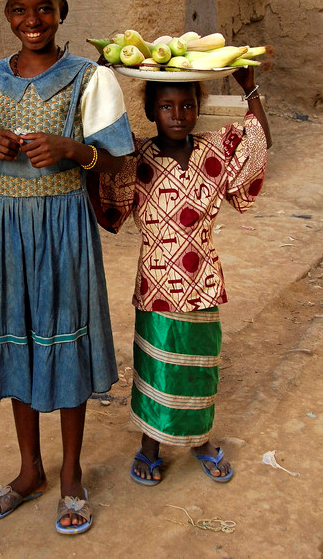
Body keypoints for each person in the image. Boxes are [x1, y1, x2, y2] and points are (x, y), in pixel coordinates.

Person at [0, 0, 134, 534]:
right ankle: (30, 471)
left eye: (45, 8)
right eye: (20, 10)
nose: (33, 20)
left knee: (64, 339)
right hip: (9, 230)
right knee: (19, 339)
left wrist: (71, 149)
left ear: (64, 10)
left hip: (64, 229)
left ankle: (72, 473)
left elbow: (116, 156)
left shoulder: (88, 79)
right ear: (7, 14)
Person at [88, 67, 271, 484]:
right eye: (166, 106)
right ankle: (150, 445)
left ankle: (200, 439)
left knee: (199, 366)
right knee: (155, 367)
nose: (178, 114)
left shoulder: (215, 151)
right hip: (156, 283)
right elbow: (99, 167)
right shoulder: (133, 158)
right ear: (151, 110)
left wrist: (250, 88)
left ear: (198, 108)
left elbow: (257, 146)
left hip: (203, 280)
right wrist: (100, 80)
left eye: (187, 105)